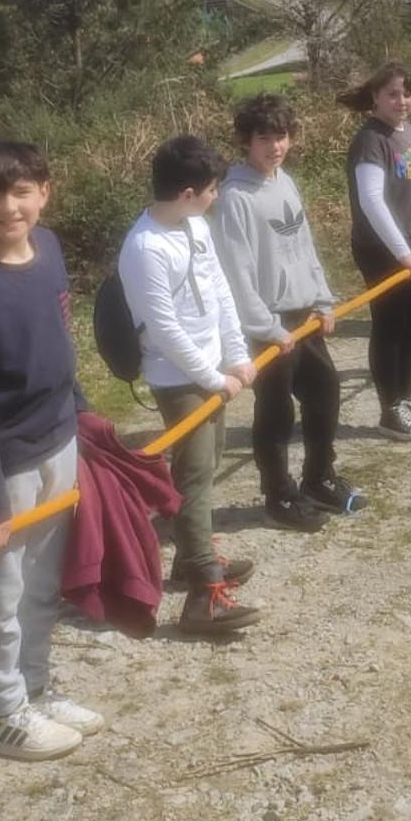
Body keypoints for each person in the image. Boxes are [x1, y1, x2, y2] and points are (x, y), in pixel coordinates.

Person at [0, 139, 104, 761]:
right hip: (0, 466)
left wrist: (82, 410)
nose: (9, 208)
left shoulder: (51, 250)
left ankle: (35, 685)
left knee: (41, 582)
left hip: (57, 440)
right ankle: (0, 711)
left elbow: (60, 342)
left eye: (21, 192)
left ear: (44, 193)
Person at [119, 136, 261, 638]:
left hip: (212, 369)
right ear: (185, 191)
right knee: (196, 473)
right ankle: (203, 596)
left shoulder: (194, 225)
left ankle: (187, 559)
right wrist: (211, 377)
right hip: (177, 375)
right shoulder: (144, 248)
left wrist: (238, 354)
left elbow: (219, 291)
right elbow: (163, 327)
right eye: (211, 189)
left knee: (207, 460)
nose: (216, 196)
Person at [212, 92, 363, 533]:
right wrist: (266, 328)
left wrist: (322, 298)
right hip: (268, 324)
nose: (275, 146)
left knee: (326, 392)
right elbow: (237, 273)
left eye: (281, 137)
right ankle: (279, 493)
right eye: (264, 138)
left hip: (304, 316)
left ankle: (319, 478)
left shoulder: (285, 181)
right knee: (276, 412)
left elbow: (304, 248)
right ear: (245, 140)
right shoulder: (235, 197)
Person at [343, 62, 411, 441]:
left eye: (407, 93)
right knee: (390, 327)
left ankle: (406, 398)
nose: (402, 101)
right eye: (393, 94)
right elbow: (371, 201)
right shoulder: (370, 140)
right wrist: (403, 253)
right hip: (381, 249)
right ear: (375, 98)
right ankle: (390, 409)